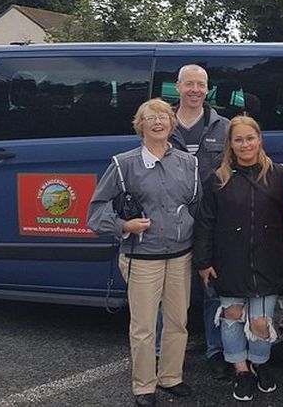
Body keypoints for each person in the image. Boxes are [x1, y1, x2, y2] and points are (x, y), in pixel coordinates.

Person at [88, 98, 201, 407]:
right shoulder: (123, 164)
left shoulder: (188, 163)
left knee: (178, 321)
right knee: (143, 327)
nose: (157, 122)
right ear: (140, 125)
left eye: (163, 117)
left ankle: (171, 377)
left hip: (180, 255)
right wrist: (126, 224)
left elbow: (195, 206)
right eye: (150, 118)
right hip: (142, 257)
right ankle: (144, 386)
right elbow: (96, 213)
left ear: (171, 123)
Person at [193, 115, 283, 402]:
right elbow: (205, 222)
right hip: (229, 261)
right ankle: (241, 371)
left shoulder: (276, 175)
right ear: (230, 144)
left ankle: (260, 365)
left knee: (261, 321)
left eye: (250, 138)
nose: (245, 144)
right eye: (238, 139)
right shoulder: (218, 178)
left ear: (259, 139)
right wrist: (203, 260)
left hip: (267, 262)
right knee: (232, 317)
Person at [168, 64, 231, 381]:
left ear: (208, 89)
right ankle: (165, 356)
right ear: (177, 87)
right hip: (171, 223)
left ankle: (215, 351)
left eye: (201, 84)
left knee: (212, 292)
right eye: (189, 83)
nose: (195, 89)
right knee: (170, 294)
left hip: (212, 223)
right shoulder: (161, 123)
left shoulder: (224, 126)